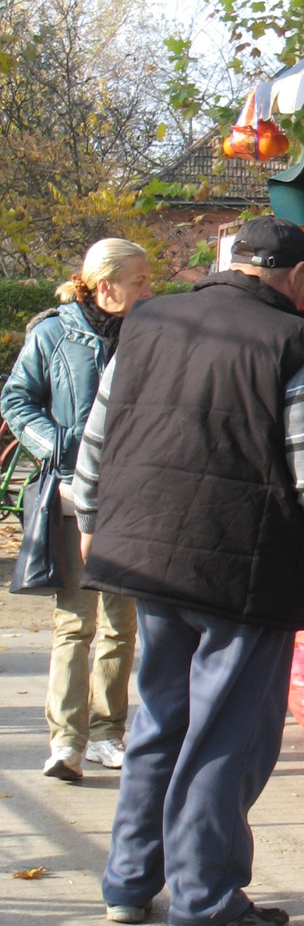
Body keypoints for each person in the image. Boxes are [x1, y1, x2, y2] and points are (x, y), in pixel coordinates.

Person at [72, 217, 304, 926]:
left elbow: (98, 434)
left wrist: (89, 513)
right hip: (245, 566)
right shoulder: (298, 341)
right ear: (295, 278)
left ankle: (129, 881)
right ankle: (206, 897)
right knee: (225, 733)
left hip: (146, 553)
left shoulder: (147, 320)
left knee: (159, 719)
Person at [1, 238, 152, 782]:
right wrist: (61, 443)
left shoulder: (151, 333)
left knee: (120, 622)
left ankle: (107, 734)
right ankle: (67, 741)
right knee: (74, 622)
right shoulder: (51, 334)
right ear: (105, 285)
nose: (150, 289)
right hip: (70, 495)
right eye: (140, 281)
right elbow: (16, 400)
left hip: (132, 497)